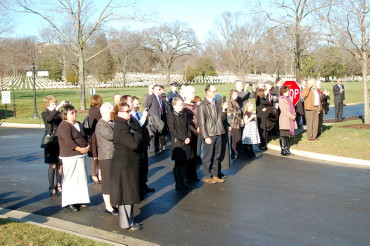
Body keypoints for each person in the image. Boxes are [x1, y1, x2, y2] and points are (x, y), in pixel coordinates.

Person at [110, 102, 143, 231]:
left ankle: (130, 220)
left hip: (128, 164)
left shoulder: (125, 124)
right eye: (126, 111)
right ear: (119, 113)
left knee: (129, 194)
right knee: (125, 195)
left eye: (129, 111)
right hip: (123, 165)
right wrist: (137, 133)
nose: (129, 113)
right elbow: (134, 144)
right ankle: (126, 223)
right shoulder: (120, 126)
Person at [57, 105, 90, 212]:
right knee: (70, 179)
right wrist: (80, 149)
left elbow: (84, 137)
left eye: (75, 112)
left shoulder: (78, 124)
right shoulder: (64, 126)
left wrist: (87, 146)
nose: (74, 114)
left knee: (81, 178)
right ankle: (69, 201)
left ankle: (80, 199)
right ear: (65, 115)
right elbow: (69, 142)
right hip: (70, 155)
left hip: (81, 155)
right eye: (72, 113)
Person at [198, 84, 225, 184]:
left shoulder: (217, 103)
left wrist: (224, 110)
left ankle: (215, 175)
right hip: (210, 134)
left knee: (217, 156)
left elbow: (221, 118)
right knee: (208, 156)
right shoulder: (202, 105)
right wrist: (205, 137)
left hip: (218, 132)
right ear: (208, 92)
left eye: (216, 91)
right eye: (214, 91)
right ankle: (206, 176)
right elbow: (201, 123)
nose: (216, 93)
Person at [95, 102, 118, 215]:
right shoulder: (100, 124)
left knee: (113, 180)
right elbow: (111, 136)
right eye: (112, 111)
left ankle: (113, 203)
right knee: (107, 182)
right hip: (106, 156)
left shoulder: (110, 123)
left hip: (113, 156)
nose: (113, 113)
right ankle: (108, 206)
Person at [167, 97, 194, 190]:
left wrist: (188, 137)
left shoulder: (184, 114)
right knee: (178, 164)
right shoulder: (171, 116)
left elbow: (188, 127)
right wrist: (183, 138)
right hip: (178, 143)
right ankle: (178, 183)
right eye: (180, 105)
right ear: (174, 106)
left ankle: (184, 181)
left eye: (182, 104)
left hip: (186, 141)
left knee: (184, 163)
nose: (182, 106)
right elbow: (172, 130)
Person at [131, 96, 155, 196]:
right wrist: (144, 117)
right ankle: (139, 188)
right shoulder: (131, 116)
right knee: (139, 167)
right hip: (137, 144)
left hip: (144, 143)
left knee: (145, 166)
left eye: (138, 103)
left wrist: (147, 119)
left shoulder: (139, 114)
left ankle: (144, 184)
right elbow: (137, 128)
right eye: (136, 103)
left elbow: (144, 126)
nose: (138, 105)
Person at [41, 95, 65, 196]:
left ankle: (59, 184)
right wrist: (57, 107)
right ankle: (51, 186)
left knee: (60, 164)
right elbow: (49, 120)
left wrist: (65, 108)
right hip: (50, 141)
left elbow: (64, 118)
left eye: (55, 103)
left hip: (59, 140)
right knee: (53, 165)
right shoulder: (45, 113)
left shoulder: (58, 113)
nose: (55, 105)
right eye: (53, 103)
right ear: (47, 104)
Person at [182, 86, 200, 182]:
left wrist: (199, 127)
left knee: (194, 153)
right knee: (189, 153)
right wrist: (194, 130)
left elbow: (199, 116)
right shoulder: (184, 106)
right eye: (192, 93)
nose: (194, 94)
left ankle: (193, 175)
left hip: (197, 130)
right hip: (189, 131)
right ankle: (187, 175)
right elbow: (186, 121)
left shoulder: (195, 104)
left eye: (194, 92)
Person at [278, 86, 297, 156]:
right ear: (283, 91)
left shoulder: (289, 99)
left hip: (290, 119)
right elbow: (284, 110)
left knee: (287, 135)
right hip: (284, 119)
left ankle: (287, 149)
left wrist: (294, 114)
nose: (288, 92)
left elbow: (292, 108)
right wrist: (291, 116)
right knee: (283, 135)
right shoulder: (281, 99)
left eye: (288, 91)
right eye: (286, 91)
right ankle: (283, 150)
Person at [256, 82, 275, 150]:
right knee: (262, 129)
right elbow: (264, 102)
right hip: (261, 115)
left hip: (265, 115)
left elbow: (268, 103)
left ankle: (264, 142)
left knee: (265, 129)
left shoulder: (264, 97)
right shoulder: (259, 97)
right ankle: (262, 144)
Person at [145, 85, 165, 153]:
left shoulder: (159, 98)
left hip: (158, 118)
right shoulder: (151, 97)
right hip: (153, 118)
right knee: (153, 133)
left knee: (157, 133)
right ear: (155, 90)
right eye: (159, 89)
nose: (160, 90)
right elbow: (146, 106)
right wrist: (148, 116)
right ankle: (152, 148)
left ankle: (157, 147)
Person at [88, 94, 103, 184]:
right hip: (97, 135)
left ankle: (96, 174)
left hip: (93, 135)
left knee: (96, 156)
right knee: (96, 157)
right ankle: (96, 174)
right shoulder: (98, 110)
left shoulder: (91, 110)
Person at [227, 90, 244, 159]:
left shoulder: (236, 102)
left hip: (238, 122)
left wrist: (241, 120)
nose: (236, 96)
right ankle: (233, 152)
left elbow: (239, 112)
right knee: (234, 138)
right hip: (234, 123)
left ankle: (238, 150)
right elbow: (234, 113)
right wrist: (240, 118)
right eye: (234, 94)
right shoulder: (230, 102)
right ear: (231, 95)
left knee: (238, 137)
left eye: (236, 94)